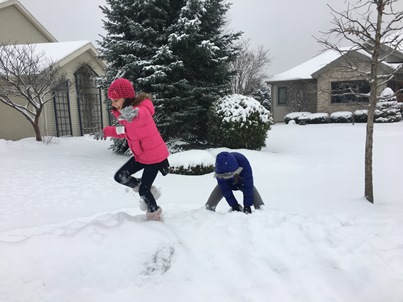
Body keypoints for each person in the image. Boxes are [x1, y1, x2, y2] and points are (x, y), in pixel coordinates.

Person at [94, 78, 169, 221]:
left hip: (154, 157)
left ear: (126, 97)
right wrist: (106, 131)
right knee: (120, 176)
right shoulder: (126, 116)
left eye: (116, 100)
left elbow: (142, 115)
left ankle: (155, 217)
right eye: (111, 100)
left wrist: (133, 113)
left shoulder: (141, 110)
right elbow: (124, 131)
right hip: (141, 156)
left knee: (143, 191)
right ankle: (146, 187)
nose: (113, 103)